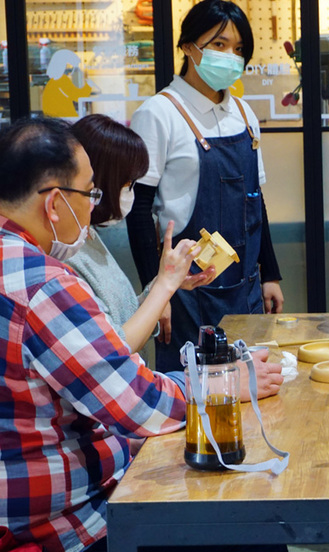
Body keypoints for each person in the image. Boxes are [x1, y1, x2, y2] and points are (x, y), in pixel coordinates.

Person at [0, 118, 186, 552]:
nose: (95, 205)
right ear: (55, 203)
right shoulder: (42, 284)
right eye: (91, 193)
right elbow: (138, 405)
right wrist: (224, 382)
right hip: (65, 525)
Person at [68, 114, 283, 401]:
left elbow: (119, 317)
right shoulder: (65, 257)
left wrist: (170, 282)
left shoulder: (89, 237)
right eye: (126, 184)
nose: (129, 194)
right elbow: (112, 351)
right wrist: (163, 286)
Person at [128, 0, 284, 373]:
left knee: (251, 388)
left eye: (239, 49)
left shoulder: (245, 115)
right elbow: (138, 210)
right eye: (219, 45)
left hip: (245, 289)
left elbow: (255, 203)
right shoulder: (159, 113)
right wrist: (156, 293)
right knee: (194, 399)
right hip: (187, 295)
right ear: (187, 47)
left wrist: (271, 273)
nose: (231, 56)